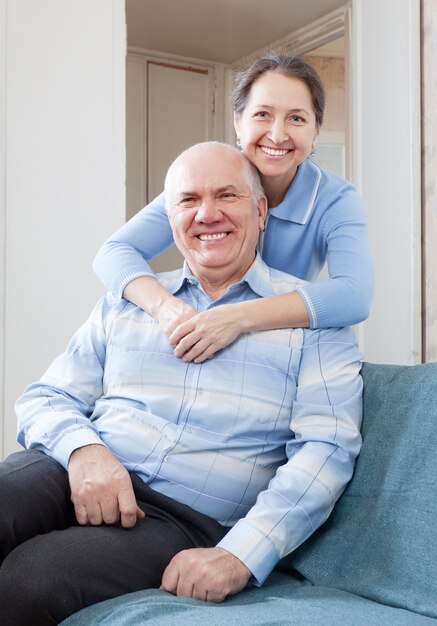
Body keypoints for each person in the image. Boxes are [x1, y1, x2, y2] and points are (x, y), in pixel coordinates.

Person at [0, 143, 363, 626]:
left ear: (259, 211)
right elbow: (48, 396)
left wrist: (241, 554)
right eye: (189, 200)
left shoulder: (314, 320)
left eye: (226, 196)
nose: (207, 214)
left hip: (182, 516)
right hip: (78, 466)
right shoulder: (127, 303)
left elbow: (326, 450)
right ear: (169, 218)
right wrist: (86, 452)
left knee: (30, 582)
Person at [93, 53, 373, 364]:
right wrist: (165, 307)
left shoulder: (336, 199)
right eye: (263, 114)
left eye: (297, 118)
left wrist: (235, 318)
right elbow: (113, 252)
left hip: (275, 344)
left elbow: (355, 295)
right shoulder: (206, 180)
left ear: (315, 131)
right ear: (237, 120)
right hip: (202, 331)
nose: (278, 135)